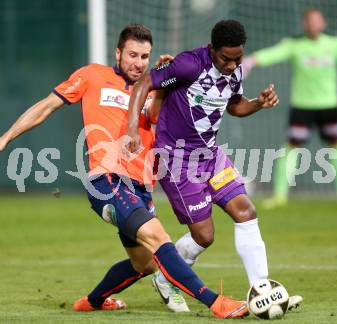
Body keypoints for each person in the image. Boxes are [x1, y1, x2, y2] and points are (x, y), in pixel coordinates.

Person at [0, 24, 249, 319]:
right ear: (118, 53)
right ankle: (215, 302)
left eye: (145, 56)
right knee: (160, 239)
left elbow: (156, 117)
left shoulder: (150, 86)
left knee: (144, 264)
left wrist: (165, 86)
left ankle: (93, 301)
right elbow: (46, 107)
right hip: (107, 181)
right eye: (132, 55)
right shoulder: (93, 75)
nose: (138, 62)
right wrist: (5, 138)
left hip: (141, 186)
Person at [126, 20, 302, 312]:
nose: (232, 65)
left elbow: (234, 105)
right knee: (204, 236)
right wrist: (133, 128)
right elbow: (146, 83)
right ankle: (165, 277)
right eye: (226, 58)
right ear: (212, 49)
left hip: (211, 155)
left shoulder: (234, 70)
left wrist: (258, 102)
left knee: (246, 210)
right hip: (177, 161)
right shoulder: (187, 66)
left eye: (237, 58)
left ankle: (264, 290)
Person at [242, 8, 337, 209]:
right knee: (291, 147)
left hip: (329, 105)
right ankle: (280, 195)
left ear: (323, 23)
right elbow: (272, 54)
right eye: (309, 21)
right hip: (302, 106)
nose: (312, 24)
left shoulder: (335, 44)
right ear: (304, 24)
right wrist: (251, 61)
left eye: (316, 21)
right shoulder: (295, 45)